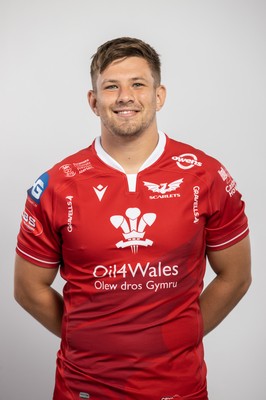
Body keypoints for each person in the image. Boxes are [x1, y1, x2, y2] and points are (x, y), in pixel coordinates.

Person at [14, 37, 251, 400]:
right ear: (94, 102)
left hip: (178, 388)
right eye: (111, 86)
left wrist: (179, 335)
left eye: (138, 84)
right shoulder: (56, 185)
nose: (125, 96)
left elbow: (236, 276)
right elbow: (28, 289)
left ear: (159, 95)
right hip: (82, 387)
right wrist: (90, 338)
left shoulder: (205, 175)